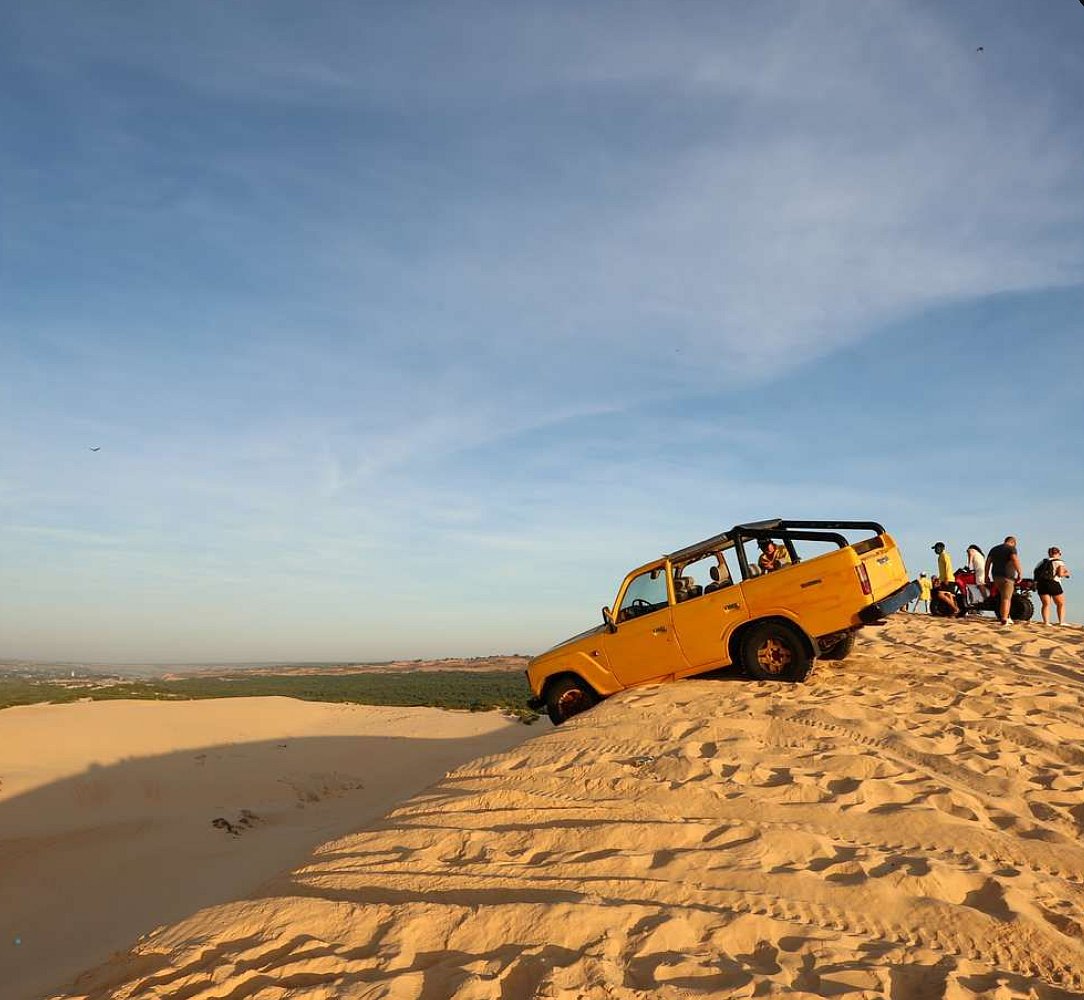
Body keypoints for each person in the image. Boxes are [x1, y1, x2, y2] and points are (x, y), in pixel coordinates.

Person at [985, 535, 1023, 627]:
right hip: (1007, 576)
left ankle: (1006, 617)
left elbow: (988, 562)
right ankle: (1004, 619)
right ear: (1013, 543)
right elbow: (1014, 559)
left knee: (1002, 597)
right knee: (1006, 598)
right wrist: (1019, 572)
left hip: (996, 576)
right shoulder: (1011, 549)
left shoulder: (994, 549)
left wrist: (986, 576)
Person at [1035, 546, 1070, 625]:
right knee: (1060, 603)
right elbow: (1060, 574)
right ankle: (1061, 622)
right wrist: (1066, 574)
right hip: (1053, 583)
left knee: (1046, 604)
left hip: (1041, 584)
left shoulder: (1041, 562)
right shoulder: (1059, 562)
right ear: (1059, 553)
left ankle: (1046, 622)